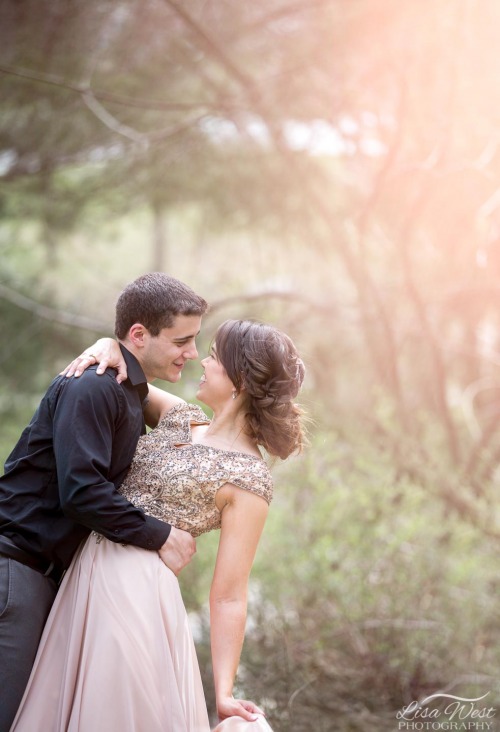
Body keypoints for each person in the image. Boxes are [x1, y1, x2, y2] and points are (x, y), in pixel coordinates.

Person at [9, 319, 306, 732]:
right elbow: (124, 373)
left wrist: (223, 691)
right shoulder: (179, 418)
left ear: (240, 380)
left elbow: (230, 596)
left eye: (215, 357)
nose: (202, 359)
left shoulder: (249, 480)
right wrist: (106, 345)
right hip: (82, 577)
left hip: (138, 595)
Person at [0, 272, 209, 732]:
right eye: (183, 340)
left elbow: (196, 423)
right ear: (139, 334)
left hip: (39, 577)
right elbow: (82, 491)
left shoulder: (126, 389)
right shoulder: (94, 386)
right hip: (15, 570)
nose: (191, 353)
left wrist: (109, 344)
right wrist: (162, 536)